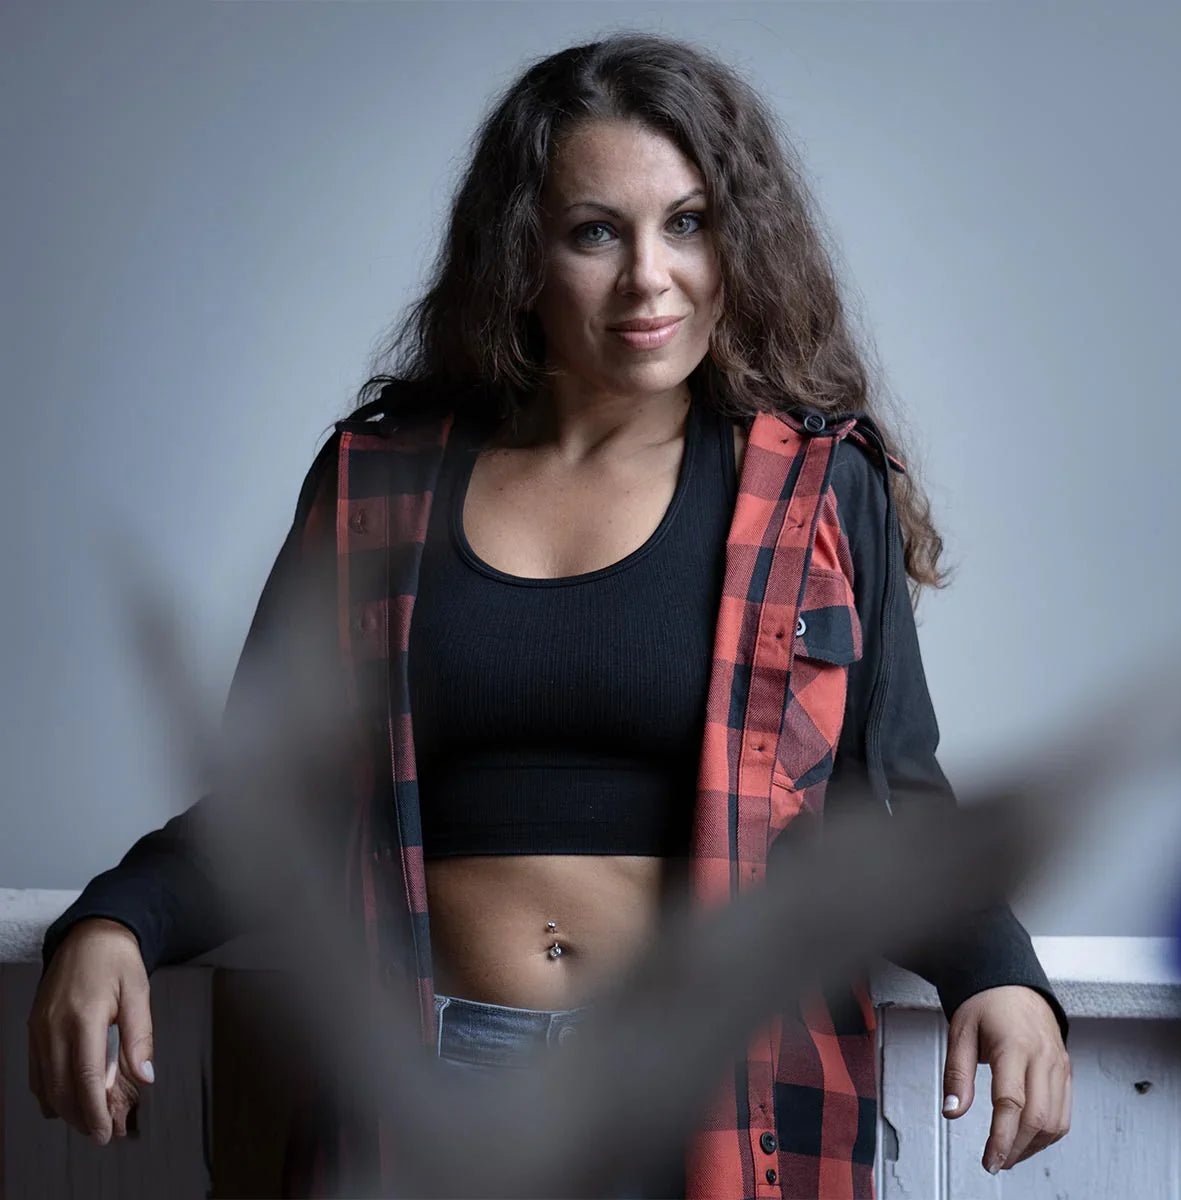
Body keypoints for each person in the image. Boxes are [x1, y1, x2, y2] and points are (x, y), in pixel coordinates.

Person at [28, 31, 1071, 1199]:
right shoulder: (375, 485)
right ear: (523, 252)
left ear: (740, 242)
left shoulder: (818, 494)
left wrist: (1004, 976)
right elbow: (271, 816)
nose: (648, 278)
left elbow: (893, 812)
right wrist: (113, 922)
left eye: (688, 223)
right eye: (595, 231)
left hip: (712, 1102)